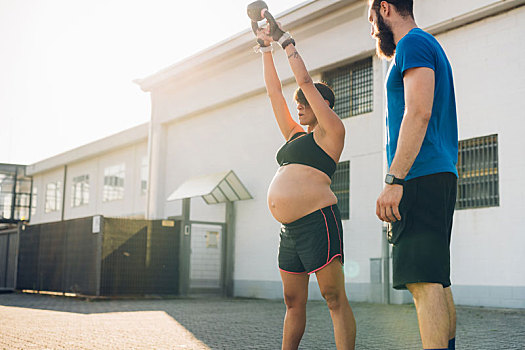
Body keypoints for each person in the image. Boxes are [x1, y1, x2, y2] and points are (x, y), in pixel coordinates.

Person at [253, 16, 356, 350]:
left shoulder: (332, 133)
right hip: (289, 230)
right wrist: (264, 47)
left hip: (317, 221)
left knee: (333, 297)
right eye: (296, 102)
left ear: (323, 106)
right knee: (292, 301)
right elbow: (273, 94)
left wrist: (286, 42)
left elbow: (307, 82)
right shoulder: (295, 135)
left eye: (304, 101)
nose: (298, 105)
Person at [368, 1, 459, 349]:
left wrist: (394, 180)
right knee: (437, 279)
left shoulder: (412, 44)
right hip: (434, 174)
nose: (373, 28)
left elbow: (418, 112)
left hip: (419, 176)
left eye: (372, 19)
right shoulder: (425, 44)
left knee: (423, 282)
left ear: (386, 8)